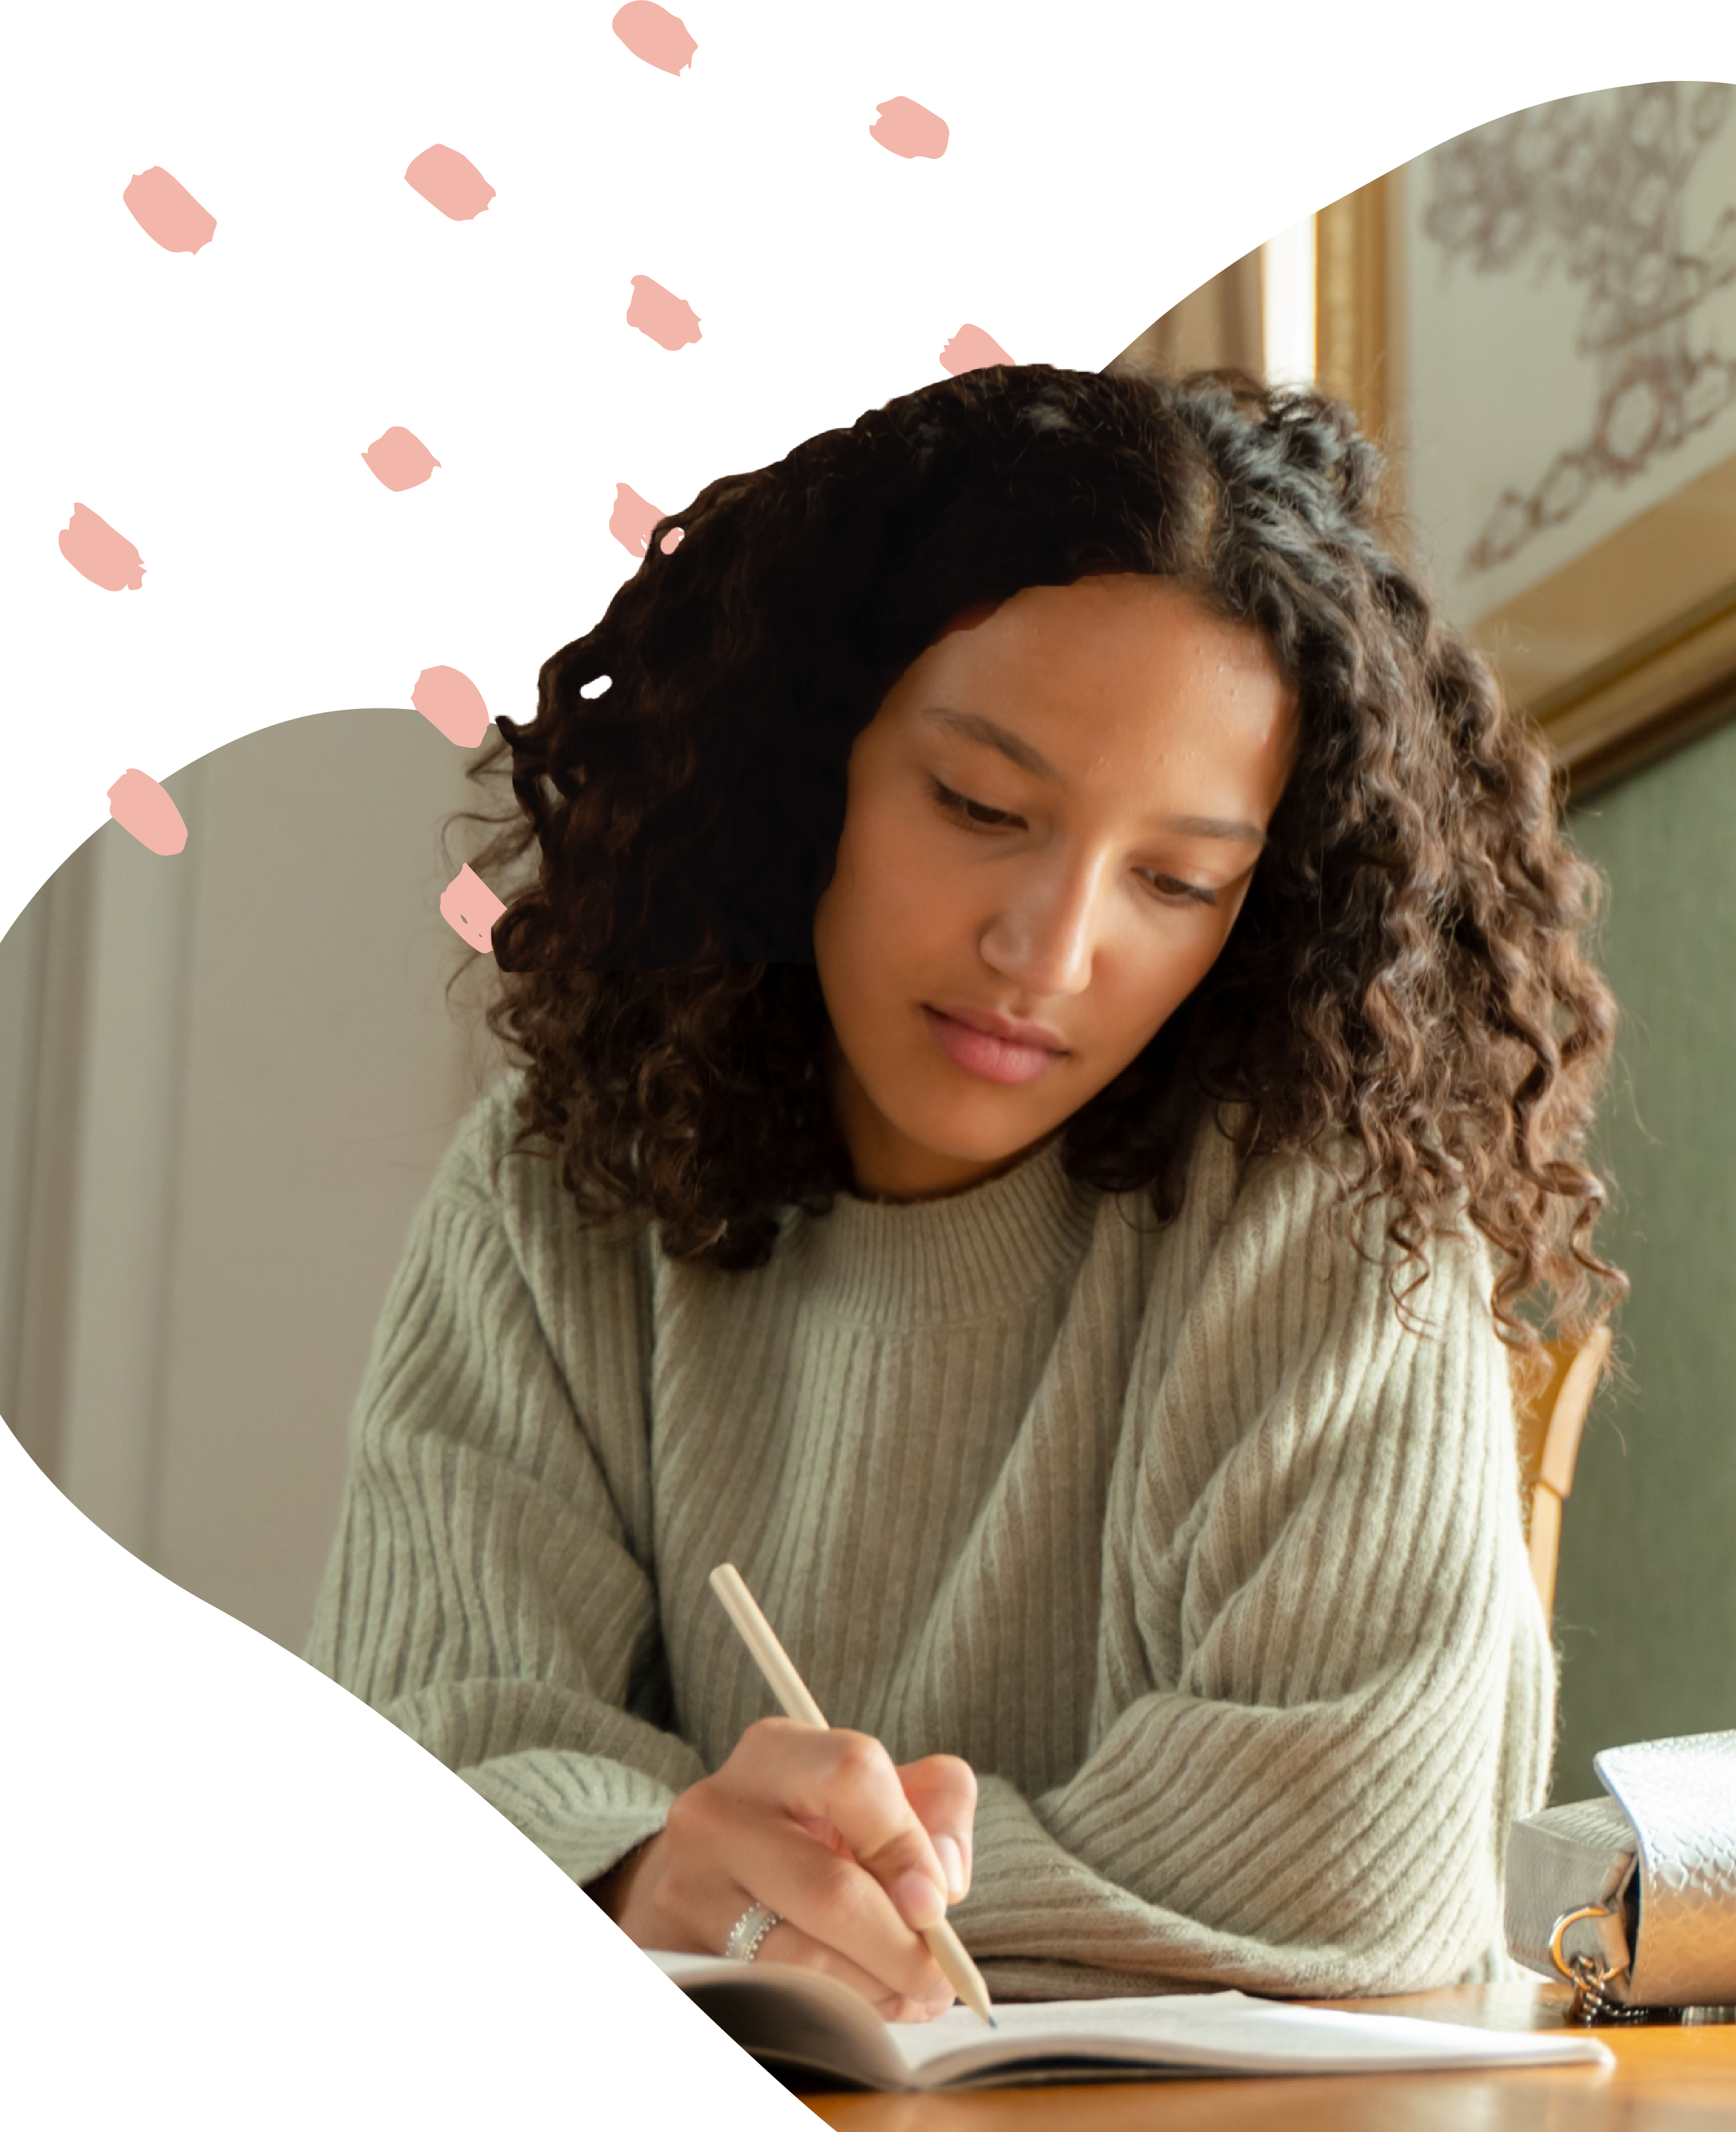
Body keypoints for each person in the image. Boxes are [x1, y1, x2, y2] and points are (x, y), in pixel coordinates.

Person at [305, 362, 1623, 2019]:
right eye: (980, 806)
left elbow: (1360, 1859)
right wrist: (648, 1873)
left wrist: (768, 1908)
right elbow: (415, 1765)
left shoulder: (1331, 1201)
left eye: (1176, 879)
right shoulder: (554, 1188)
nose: (1050, 954)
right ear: (807, 758)